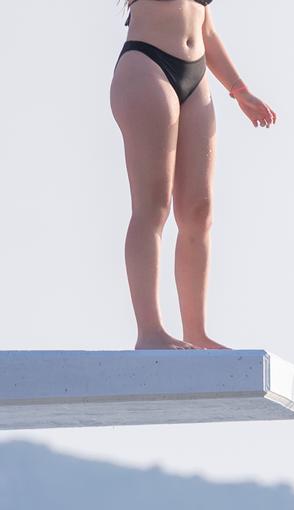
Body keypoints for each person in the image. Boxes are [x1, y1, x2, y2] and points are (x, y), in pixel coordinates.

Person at [111, 0, 277, 349]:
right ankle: (150, 331)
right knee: (153, 205)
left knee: (199, 212)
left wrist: (240, 91)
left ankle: (196, 332)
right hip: (147, 66)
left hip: (196, 74)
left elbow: (207, 29)